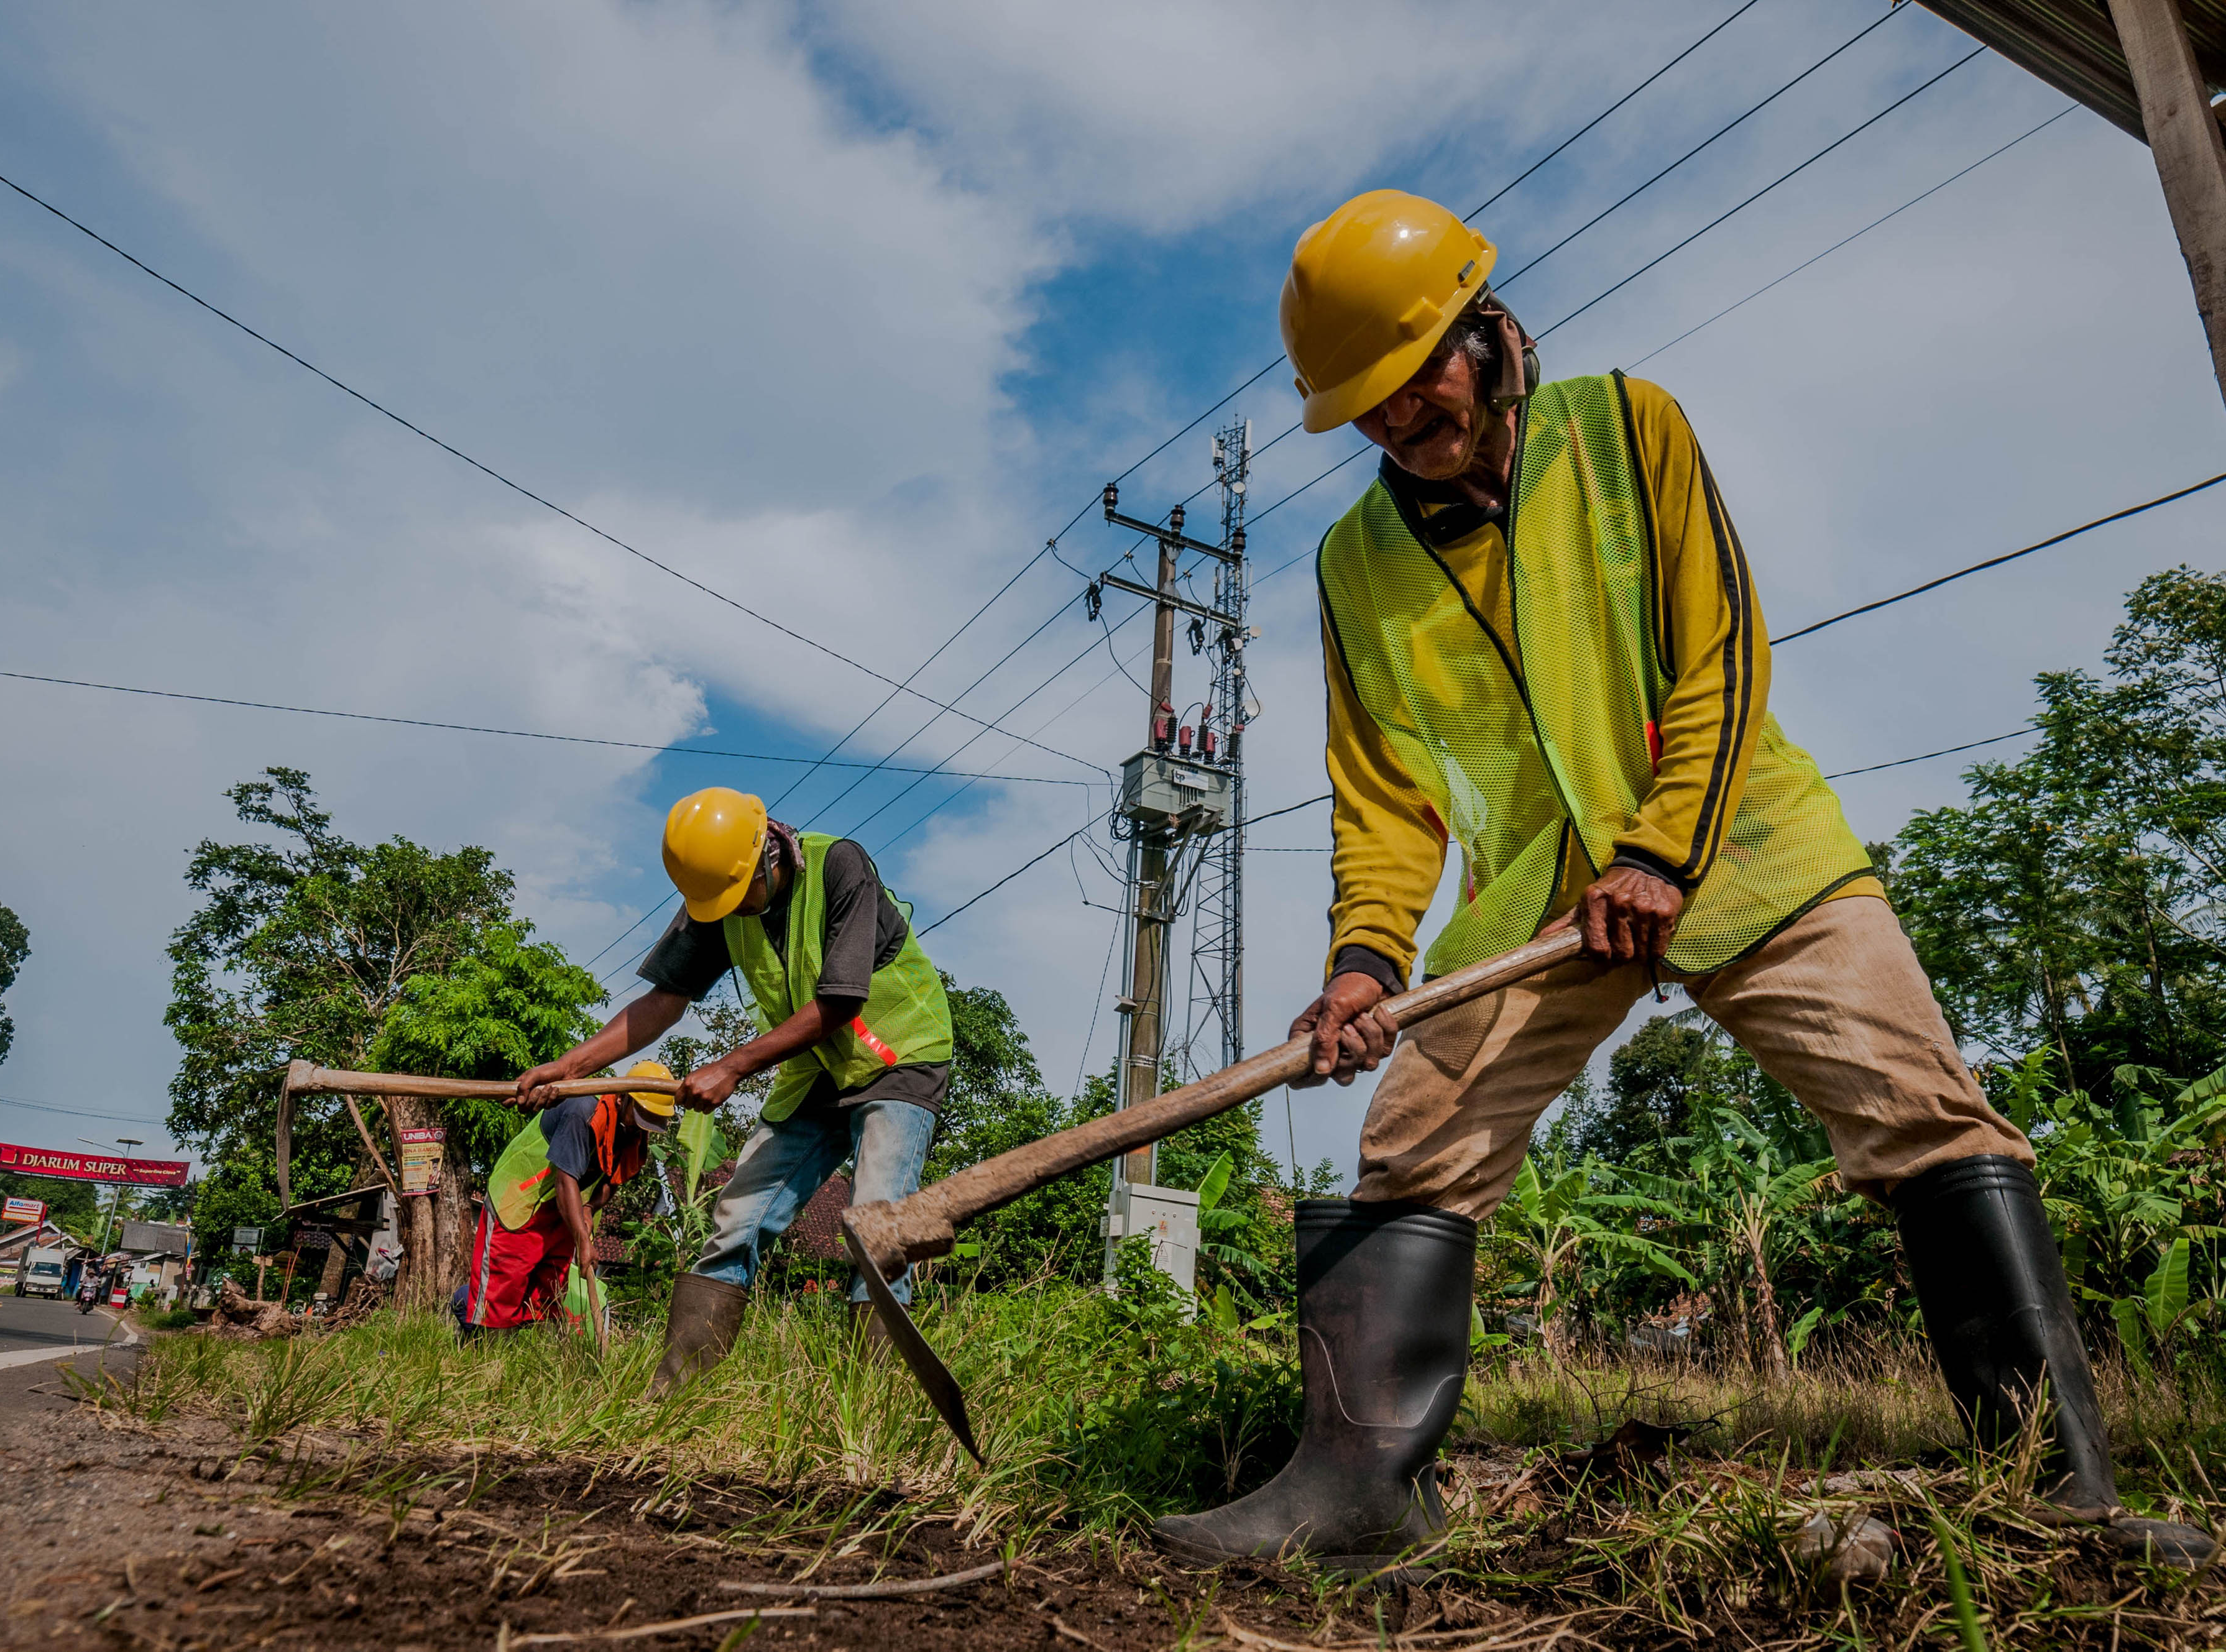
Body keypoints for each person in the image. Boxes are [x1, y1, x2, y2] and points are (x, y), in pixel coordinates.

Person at [1151, 190, 2212, 1574]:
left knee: (1927, 1117)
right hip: (1542, 895)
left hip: (1742, 842)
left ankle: (2063, 1501)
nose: (1404, 428)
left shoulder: (1623, 427)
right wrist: (1365, 959)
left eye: (1421, 389)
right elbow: (1385, 794)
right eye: (1370, 413)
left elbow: (1718, 645)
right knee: (1413, 1149)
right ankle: (1360, 1496)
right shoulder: (1354, 565)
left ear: (1492, 335)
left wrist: (1659, 848)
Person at [514, 787, 955, 1397]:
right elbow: (663, 1003)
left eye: (737, 894)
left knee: (876, 1228)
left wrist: (733, 1066)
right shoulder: (716, 897)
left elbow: (841, 999)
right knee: (736, 1221)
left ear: (769, 856)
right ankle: (669, 1402)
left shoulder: (840, 867)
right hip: (815, 1072)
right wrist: (567, 1067)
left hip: (898, 1058)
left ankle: (870, 1416)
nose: (728, 911)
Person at [458, 1060, 678, 1333]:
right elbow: (565, 1180)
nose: (644, 1127)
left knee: (546, 1295)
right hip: (522, 1196)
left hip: (563, 1209)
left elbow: (615, 1178)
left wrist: (590, 1206)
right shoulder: (583, 1110)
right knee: (502, 1290)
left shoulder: (634, 1129)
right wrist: (583, 1242)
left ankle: (522, 1360)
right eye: (643, 1115)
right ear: (623, 1099)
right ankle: (477, 1343)